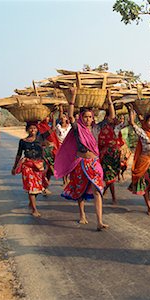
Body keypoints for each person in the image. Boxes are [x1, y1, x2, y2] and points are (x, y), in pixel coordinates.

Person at [54, 88, 108, 231]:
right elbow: (71, 117)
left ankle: (99, 221)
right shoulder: (78, 128)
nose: (88, 119)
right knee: (80, 191)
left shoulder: (96, 129)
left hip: (94, 163)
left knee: (97, 190)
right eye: (85, 117)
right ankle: (82, 214)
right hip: (80, 163)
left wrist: (109, 99)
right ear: (81, 118)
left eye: (90, 117)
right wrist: (72, 98)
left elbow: (111, 118)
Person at [11, 122, 51, 217]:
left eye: (35, 128)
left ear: (37, 129)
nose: (33, 130)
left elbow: (52, 129)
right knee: (31, 187)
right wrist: (14, 167)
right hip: (27, 166)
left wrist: (54, 115)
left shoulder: (40, 138)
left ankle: (31, 202)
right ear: (27, 130)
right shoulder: (23, 141)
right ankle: (34, 209)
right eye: (31, 128)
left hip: (38, 166)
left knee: (38, 187)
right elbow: (19, 154)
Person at [98, 104, 127, 204]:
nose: (112, 118)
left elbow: (127, 123)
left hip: (115, 155)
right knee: (110, 177)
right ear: (106, 118)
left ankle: (102, 192)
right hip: (106, 155)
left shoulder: (117, 128)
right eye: (110, 116)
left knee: (112, 176)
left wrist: (130, 110)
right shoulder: (102, 127)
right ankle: (113, 198)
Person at [37, 115, 60, 196]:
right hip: (43, 151)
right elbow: (45, 135)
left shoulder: (48, 126)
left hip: (51, 151)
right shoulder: (39, 127)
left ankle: (45, 187)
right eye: (45, 117)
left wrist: (54, 116)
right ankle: (42, 186)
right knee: (44, 170)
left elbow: (56, 123)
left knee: (50, 171)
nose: (47, 118)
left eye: (48, 117)